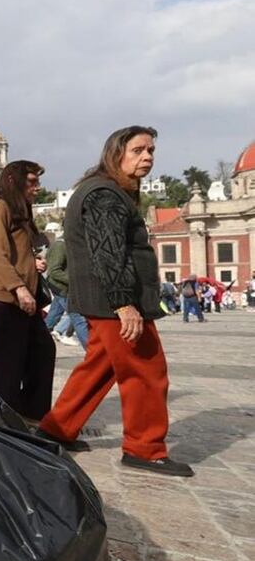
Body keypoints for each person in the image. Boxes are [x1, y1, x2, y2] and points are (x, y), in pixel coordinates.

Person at [38, 126, 192, 476]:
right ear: (116, 153)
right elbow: (108, 253)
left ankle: (56, 428)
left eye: (151, 150)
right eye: (138, 150)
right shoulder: (105, 194)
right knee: (146, 370)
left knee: (101, 365)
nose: (148, 157)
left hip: (100, 298)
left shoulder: (102, 190)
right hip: (112, 300)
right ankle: (144, 447)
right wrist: (124, 304)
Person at [0, 160, 55, 423]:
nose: (37, 188)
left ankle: (30, 412)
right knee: (5, 360)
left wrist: (32, 262)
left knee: (41, 350)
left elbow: (17, 249)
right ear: (13, 181)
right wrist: (18, 287)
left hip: (22, 293)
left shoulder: (20, 208)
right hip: (4, 294)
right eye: (32, 182)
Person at [43, 233, 89, 350]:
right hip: (62, 289)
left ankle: (36, 339)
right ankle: (92, 353)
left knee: (53, 316)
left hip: (66, 289)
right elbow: (54, 271)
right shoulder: (61, 245)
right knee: (79, 319)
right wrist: (76, 282)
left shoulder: (72, 243)